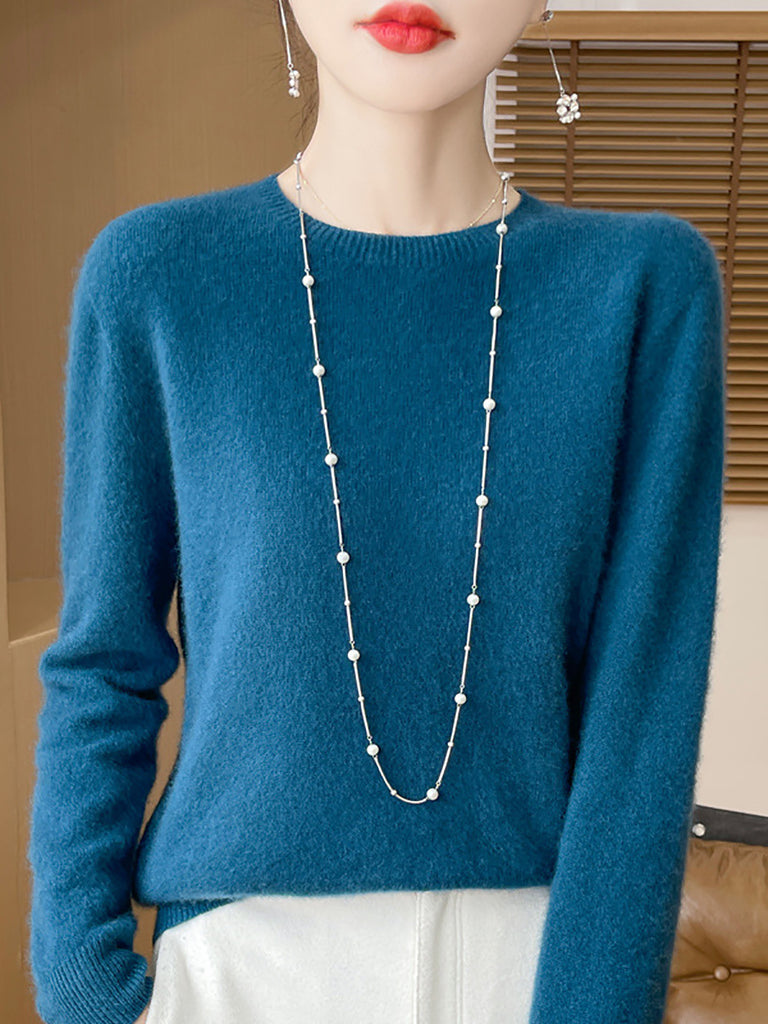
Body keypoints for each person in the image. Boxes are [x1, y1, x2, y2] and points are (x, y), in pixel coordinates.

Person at [27, 1, 726, 1022]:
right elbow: (104, 663)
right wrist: (86, 989)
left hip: (538, 971)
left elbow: (645, 712)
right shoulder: (158, 276)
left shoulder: (644, 285)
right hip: (235, 974)